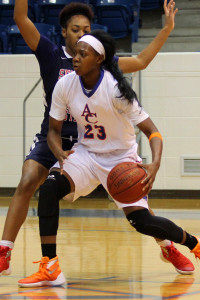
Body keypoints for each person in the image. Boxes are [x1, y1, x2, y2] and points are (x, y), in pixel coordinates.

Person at [0, 0, 192, 286]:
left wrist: (166, 29)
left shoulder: (99, 62)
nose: (81, 34)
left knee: (135, 203)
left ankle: (168, 246)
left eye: (86, 29)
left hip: (86, 139)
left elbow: (140, 62)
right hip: (54, 135)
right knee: (29, 180)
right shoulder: (52, 56)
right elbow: (21, 17)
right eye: (75, 30)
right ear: (63, 32)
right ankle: (7, 251)